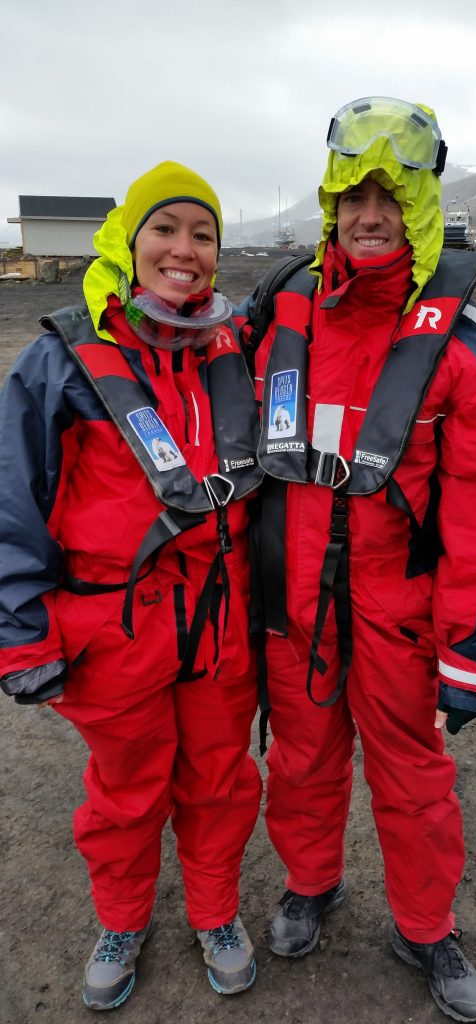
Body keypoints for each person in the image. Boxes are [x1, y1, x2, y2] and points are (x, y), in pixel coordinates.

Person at [238, 97, 476, 1022]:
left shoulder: (468, 348)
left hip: (400, 615)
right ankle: (312, 883)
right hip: (297, 610)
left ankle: (427, 927)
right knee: (302, 763)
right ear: (329, 203)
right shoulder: (276, 309)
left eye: (391, 199)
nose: (370, 215)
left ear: (422, 206)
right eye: (353, 196)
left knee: (414, 782)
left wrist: (467, 655)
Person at [0, 162, 264, 1008]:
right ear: (130, 239)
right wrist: (23, 634)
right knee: (125, 791)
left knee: (221, 778)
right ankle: (122, 916)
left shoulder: (236, 350)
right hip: (115, 629)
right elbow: (14, 499)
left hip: (220, 627)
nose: (183, 251)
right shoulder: (62, 361)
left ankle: (216, 913)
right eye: (166, 229)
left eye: (203, 235)